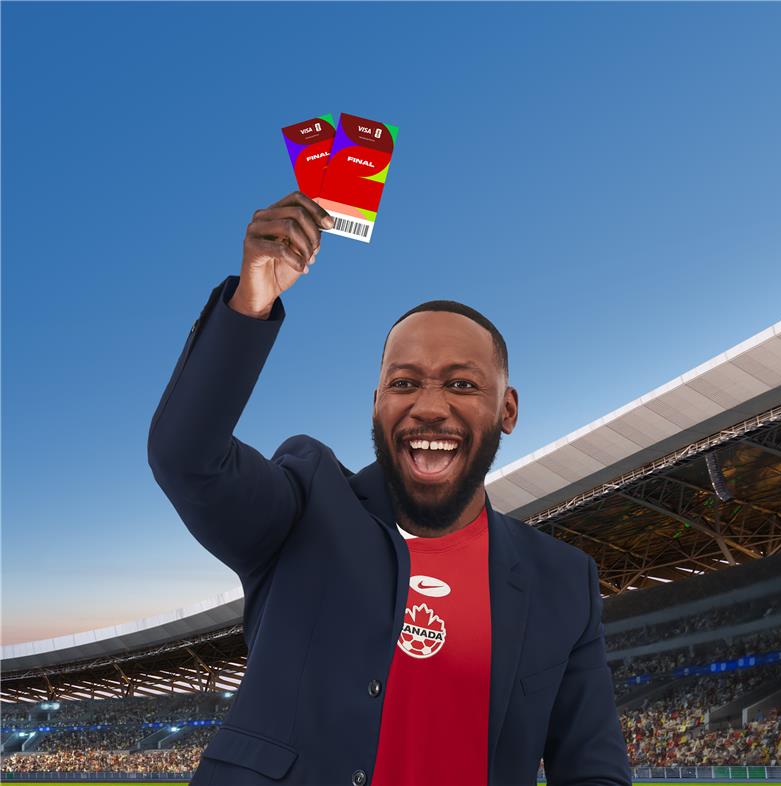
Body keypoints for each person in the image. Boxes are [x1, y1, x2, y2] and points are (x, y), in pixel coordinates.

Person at [147, 191, 632, 786]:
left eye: (461, 384)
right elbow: (186, 456)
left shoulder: (562, 581)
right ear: (377, 404)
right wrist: (252, 300)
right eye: (404, 383)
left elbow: (593, 770)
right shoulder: (305, 508)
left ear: (507, 410)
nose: (429, 406)